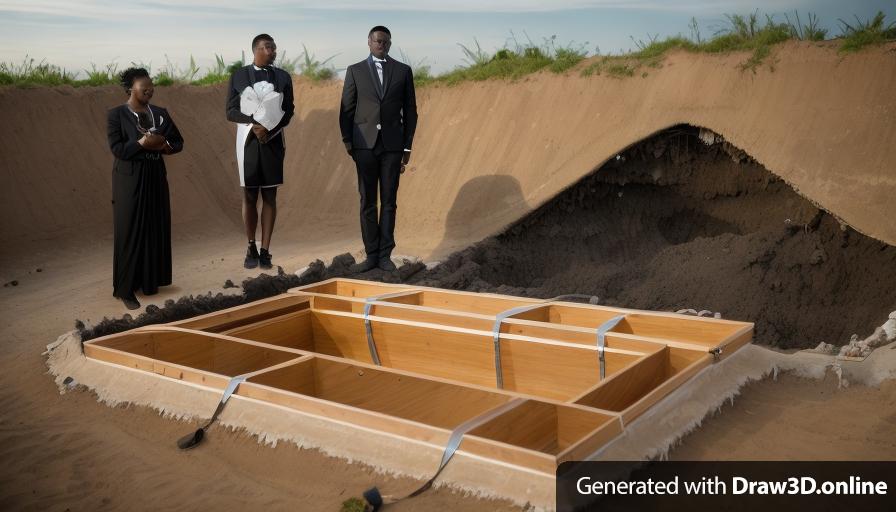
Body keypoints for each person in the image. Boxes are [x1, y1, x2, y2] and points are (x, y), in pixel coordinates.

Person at [340, 25, 418, 272]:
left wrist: (407, 147)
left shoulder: (403, 71)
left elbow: (411, 111)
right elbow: (346, 109)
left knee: (389, 201)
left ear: (390, 44)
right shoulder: (355, 71)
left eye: (385, 42)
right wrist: (348, 142)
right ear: (369, 42)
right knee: (367, 201)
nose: (381, 45)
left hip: (393, 146)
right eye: (377, 41)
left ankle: (385, 255)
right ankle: (371, 254)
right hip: (364, 145)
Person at [106, 67, 184, 310]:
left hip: (155, 176)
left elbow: (178, 142)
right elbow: (118, 150)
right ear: (131, 88)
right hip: (128, 179)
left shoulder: (160, 113)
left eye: (152, 86)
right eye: (144, 87)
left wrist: (163, 147)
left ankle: (148, 282)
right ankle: (125, 289)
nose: (150, 90)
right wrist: (142, 142)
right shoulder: (116, 114)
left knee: (153, 226)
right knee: (129, 230)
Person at [226, 33, 295, 269]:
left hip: (273, 141)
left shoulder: (283, 77)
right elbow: (230, 110)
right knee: (249, 195)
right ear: (256, 49)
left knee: (270, 196)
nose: (273, 51)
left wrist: (268, 128)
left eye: (274, 47)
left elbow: (289, 110)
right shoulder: (238, 75)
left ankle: (265, 250)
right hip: (247, 141)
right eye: (268, 47)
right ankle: (250, 245)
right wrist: (254, 125)